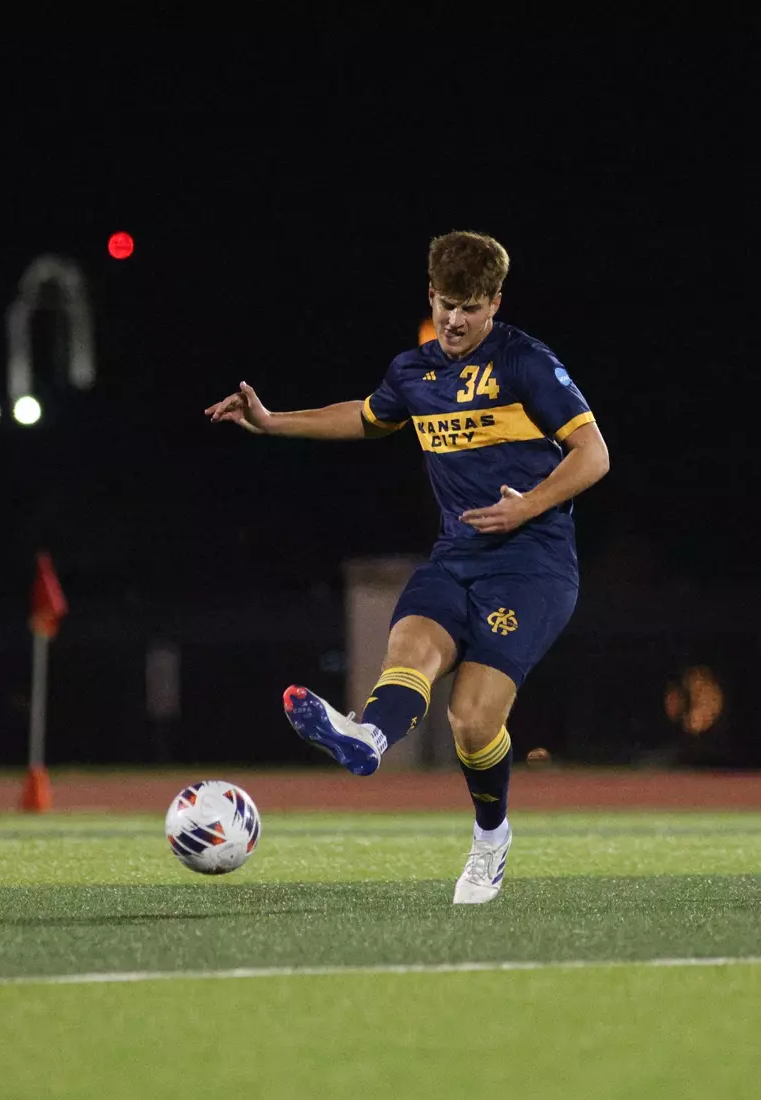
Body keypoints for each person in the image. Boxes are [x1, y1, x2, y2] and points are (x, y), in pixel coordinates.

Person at [205, 231, 610, 903]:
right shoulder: (412, 373)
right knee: (410, 645)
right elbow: (365, 419)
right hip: (456, 558)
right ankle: (366, 734)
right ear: (430, 296)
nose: (456, 320)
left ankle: (490, 840)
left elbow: (593, 454)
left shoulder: (525, 363)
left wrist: (527, 507)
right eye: (447, 304)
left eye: (471, 309)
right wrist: (272, 422)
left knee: (472, 720)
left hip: (531, 566)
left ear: (494, 305)